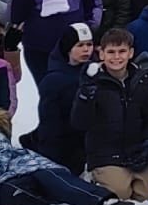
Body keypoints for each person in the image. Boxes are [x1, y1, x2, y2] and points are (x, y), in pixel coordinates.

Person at [0, 83, 134, 205]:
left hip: (24, 166)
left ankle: (103, 202)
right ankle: (66, 194)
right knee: (12, 193)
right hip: (2, 186)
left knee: (49, 178)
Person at [72, 27, 148, 201]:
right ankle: (94, 177)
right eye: (111, 52)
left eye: (122, 51)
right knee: (119, 193)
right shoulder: (93, 81)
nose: (117, 57)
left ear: (130, 53)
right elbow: (80, 122)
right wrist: (86, 95)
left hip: (136, 151)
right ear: (101, 54)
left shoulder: (142, 80)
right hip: (106, 154)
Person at [23, 24, 95, 172]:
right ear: (68, 48)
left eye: (89, 44)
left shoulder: (96, 71)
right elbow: (49, 124)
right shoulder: (53, 80)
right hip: (65, 143)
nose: (86, 49)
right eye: (80, 45)